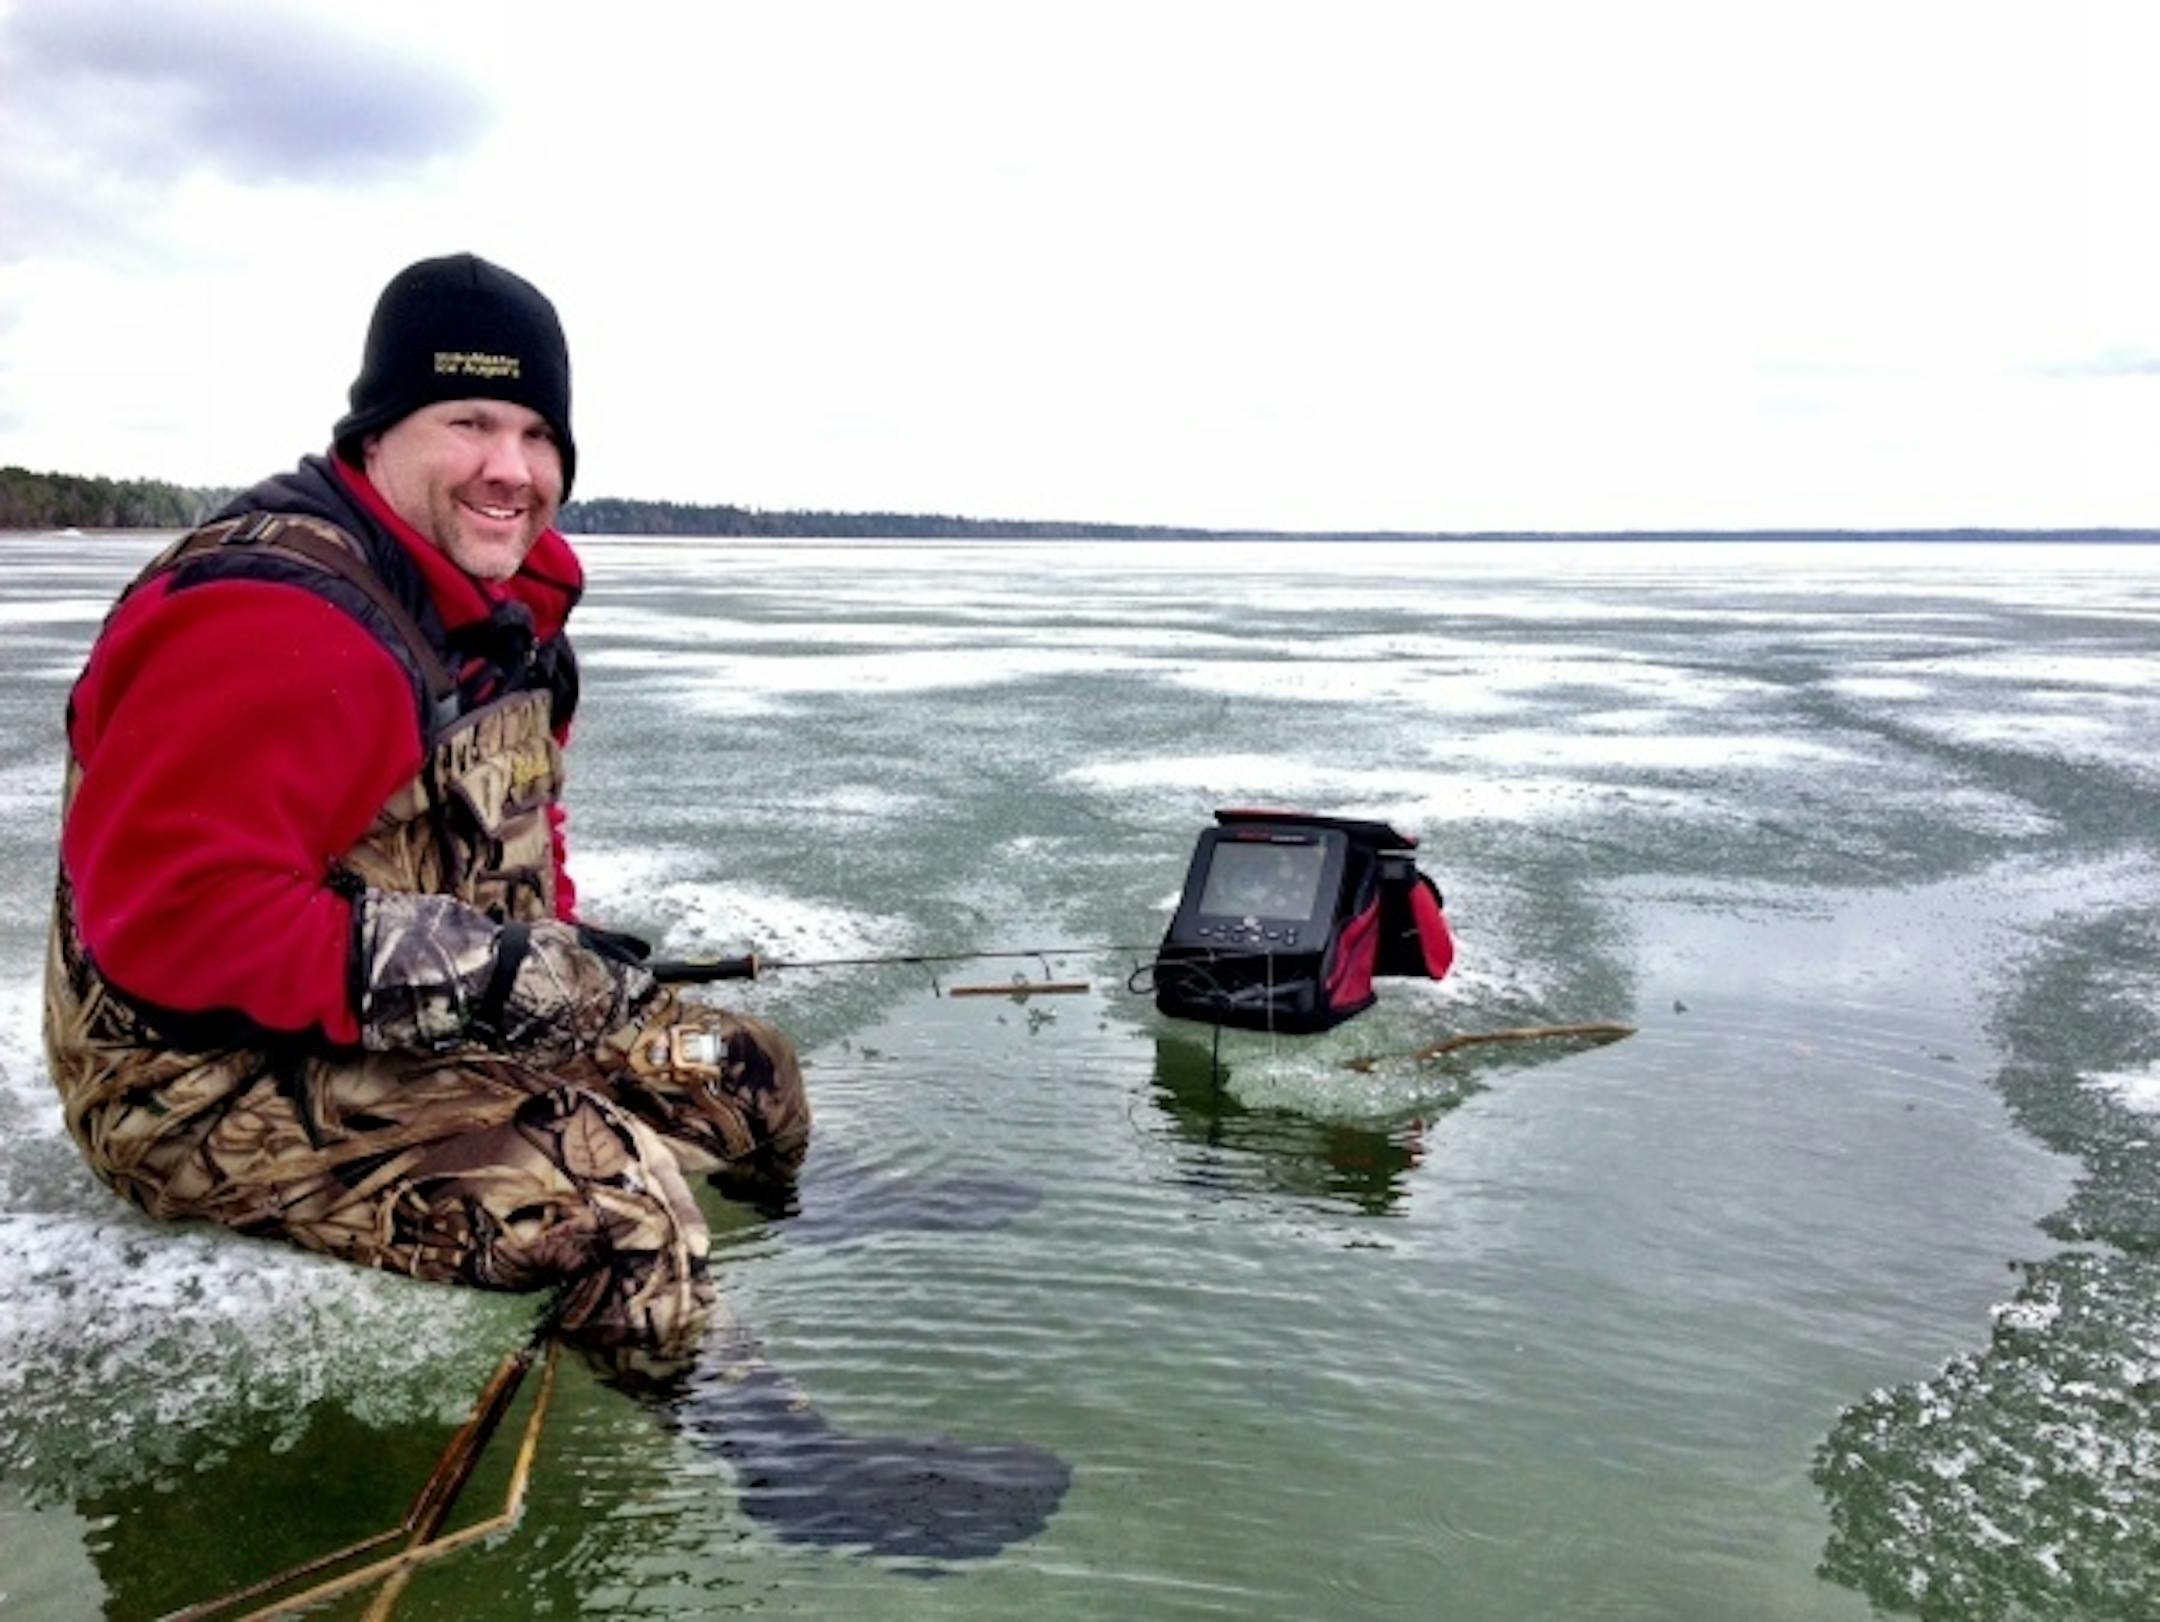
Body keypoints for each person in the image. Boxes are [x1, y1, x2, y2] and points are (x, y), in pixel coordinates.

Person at [43, 253, 807, 1368]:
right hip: (200, 1078)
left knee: (742, 1067)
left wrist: (560, 962)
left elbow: (523, 830)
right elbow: (167, 921)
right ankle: (760, 1449)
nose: (511, 467)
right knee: (615, 1207)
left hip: (425, 1027)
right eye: (471, 421)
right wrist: (495, 975)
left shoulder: (507, 605)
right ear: (378, 433)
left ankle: (819, 1246)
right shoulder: (277, 622)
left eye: (539, 434)